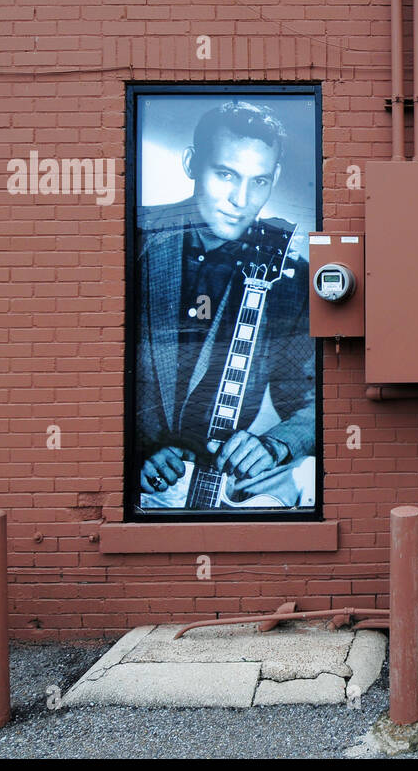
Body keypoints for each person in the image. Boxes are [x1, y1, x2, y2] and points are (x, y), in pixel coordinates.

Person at [135, 100, 315, 510]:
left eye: (259, 181)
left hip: (222, 484)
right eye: (225, 174)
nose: (241, 199)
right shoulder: (133, 242)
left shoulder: (291, 277)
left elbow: (310, 397)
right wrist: (132, 453)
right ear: (191, 163)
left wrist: (275, 445)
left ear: (276, 178)